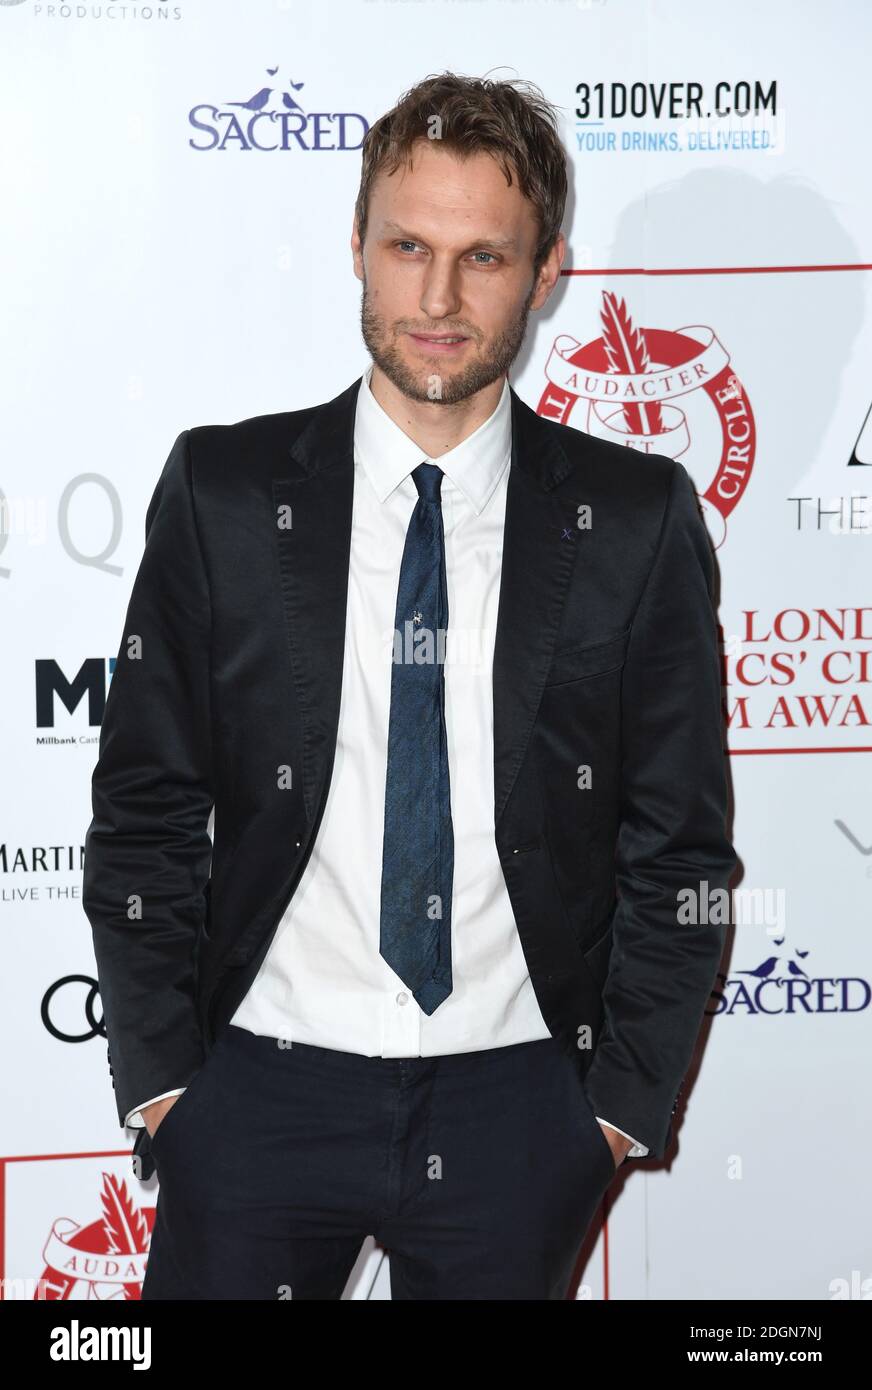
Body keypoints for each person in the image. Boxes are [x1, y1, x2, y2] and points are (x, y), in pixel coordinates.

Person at [82, 71, 736, 1301]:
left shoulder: (631, 520)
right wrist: (169, 1087)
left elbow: (679, 850)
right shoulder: (223, 497)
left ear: (546, 272)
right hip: (258, 1092)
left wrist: (606, 1114)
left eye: (482, 256)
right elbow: (143, 811)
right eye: (406, 247)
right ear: (357, 249)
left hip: (519, 1107)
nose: (436, 299)